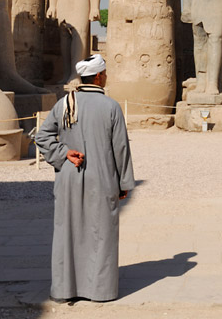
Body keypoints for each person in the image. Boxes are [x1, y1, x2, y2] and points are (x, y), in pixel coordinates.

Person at [35, 53, 135, 302]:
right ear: (99, 76)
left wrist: (63, 153)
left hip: (69, 177)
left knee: (68, 232)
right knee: (101, 234)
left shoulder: (64, 103)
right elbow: (120, 149)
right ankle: (100, 291)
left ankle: (65, 289)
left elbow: (42, 137)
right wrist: (124, 183)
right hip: (102, 179)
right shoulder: (111, 106)